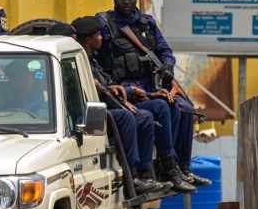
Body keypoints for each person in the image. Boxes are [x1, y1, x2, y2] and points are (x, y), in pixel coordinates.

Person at [95, 0, 211, 187]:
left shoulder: (146, 23)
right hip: (126, 88)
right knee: (165, 107)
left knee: (185, 108)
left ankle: (183, 168)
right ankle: (168, 167)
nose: (127, 2)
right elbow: (92, 53)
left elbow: (164, 50)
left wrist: (167, 66)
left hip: (151, 85)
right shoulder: (105, 24)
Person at [72, 16, 193, 194]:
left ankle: (169, 166)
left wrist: (147, 93)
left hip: (120, 100)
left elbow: (110, 86)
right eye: (98, 35)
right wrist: (128, 92)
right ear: (89, 40)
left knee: (163, 105)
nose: (102, 38)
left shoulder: (93, 60)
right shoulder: (83, 64)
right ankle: (137, 176)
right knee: (137, 117)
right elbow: (101, 91)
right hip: (99, 112)